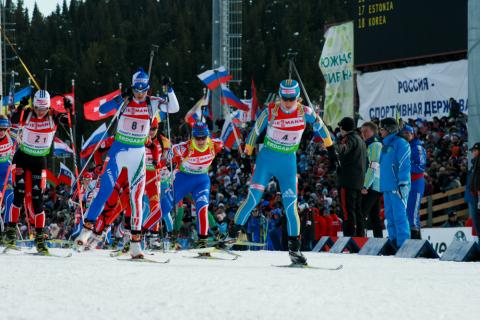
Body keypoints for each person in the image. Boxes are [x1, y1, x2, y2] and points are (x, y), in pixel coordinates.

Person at [74, 69, 179, 259]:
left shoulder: (152, 102)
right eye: (137, 90)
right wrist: (120, 97)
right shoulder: (124, 100)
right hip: (118, 151)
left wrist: (169, 89)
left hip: (137, 153)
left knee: (137, 198)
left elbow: (174, 108)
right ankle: (86, 231)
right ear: (132, 87)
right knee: (104, 191)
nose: (140, 94)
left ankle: (135, 245)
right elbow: (103, 110)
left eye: (144, 90)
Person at [231, 79, 333, 265]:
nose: (287, 102)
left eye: (291, 98)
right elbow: (255, 131)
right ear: (280, 96)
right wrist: (246, 155)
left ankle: (295, 250)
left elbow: (322, 128)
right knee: (253, 198)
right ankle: (231, 236)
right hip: (266, 160)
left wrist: (332, 150)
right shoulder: (271, 111)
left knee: (290, 206)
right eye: (285, 98)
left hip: (288, 162)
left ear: (297, 97)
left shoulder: (305, 112)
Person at [3, 90, 71, 254]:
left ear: (48, 107)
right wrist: (20, 107)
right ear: (33, 106)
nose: (41, 112)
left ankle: (40, 238)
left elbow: (68, 123)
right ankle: (11, 233)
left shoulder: (53, 115)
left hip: (39, 161)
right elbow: (12, 121)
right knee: (18, 196)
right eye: (38, 108)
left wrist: (69, 110)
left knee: (37, 200)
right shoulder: (27, 113)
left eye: (44, 109)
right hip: (22, 158)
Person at [143, 122, 223, 249]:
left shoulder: (215, 144)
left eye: (203, 137)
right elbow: (168, 156)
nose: (201, 141)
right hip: (183, 180)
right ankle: (140, 232)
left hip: (202, 180)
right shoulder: (184, 148)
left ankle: (203, 241)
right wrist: (166, 163)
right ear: (193, 137)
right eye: (198, 138)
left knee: (202, 207)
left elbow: (224, 141)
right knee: (165, 207)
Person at [379, 118, 411, 248]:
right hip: (387, 186)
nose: (380, 131)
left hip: (398, 186)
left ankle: (403, 244)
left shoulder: (401, 143)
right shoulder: (385, 145)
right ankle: (393, 241)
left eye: (382, 129)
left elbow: (404, 163)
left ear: (389, 129)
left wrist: (403, 183)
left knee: (399, 217)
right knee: (390, 217)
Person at [333, 117, 367, 237]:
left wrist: (333, 148)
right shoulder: (361, 139)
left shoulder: (349, 139)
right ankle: (360, 238)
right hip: (359, 181)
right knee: (358, 211)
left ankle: (350, 238)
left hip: (347, 181)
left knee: (347, 212)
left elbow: (342, 148)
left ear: (343, 128)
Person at [402, 124, 426, 239]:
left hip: (416, 183)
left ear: (412, 134)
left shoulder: (417, 147)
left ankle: (416, 240)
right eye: (404, 133)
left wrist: (405, 166)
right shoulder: (403, 146)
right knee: (406, 212)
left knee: (413, 212)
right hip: (406, 183)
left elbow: (421, 166)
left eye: (408, 133)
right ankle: (412, 239)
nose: (406, 135)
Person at [360, 121, 383, 238]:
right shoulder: (369, 145)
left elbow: (373, 166)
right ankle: (379, 242)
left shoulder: (375, 145)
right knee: (374, 217)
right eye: (362, 131)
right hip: (375, 185)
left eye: (366, 131)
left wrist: (365, 185)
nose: (363, 134)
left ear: (374, 132)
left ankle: (359, 240)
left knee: (361, 213)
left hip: (373, 185)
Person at [0, 116, 14, 246]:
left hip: (7, 175)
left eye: (3, 129)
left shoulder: (12, 139)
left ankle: (8, 230)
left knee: (10, 197)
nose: (1, 132)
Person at [467, 142, 480, 236]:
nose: (473, 152)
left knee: (478, 220)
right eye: (473, 151)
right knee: (476, 221)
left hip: (478, 196)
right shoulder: (475, 162)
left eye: (475, 150)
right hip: (474, 195)